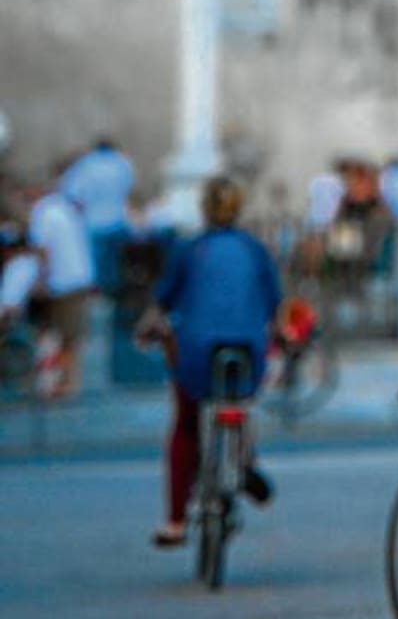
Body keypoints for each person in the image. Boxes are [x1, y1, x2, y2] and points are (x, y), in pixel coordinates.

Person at [143, 175, 281, 548]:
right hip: (247, 350)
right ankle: (245, 460)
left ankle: (175, 521)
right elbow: (274, 304)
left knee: (186, 422)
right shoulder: (255, 249)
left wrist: (149, 327)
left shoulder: (190, 249)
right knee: (241, 398)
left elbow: (164, 301)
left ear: (204, 208)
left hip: (196, 352)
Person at [28, 166, 95, 399]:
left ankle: (61, 385)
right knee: (71, 337)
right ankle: (67, 383)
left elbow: (43, 248)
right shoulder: (64, 207)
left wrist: (41, 280)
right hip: (78, 279)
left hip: (62, 282)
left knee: (61, 336)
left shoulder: (43, 211)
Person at [60, 137, 135, 295]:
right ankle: (115, 300)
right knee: (116, 267)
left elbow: (71, 192)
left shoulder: (86, 164)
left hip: (94, 225)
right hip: (118, 222)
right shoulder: (122, 163)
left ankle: (101, 301)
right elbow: (129, 188)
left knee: (96, 271)